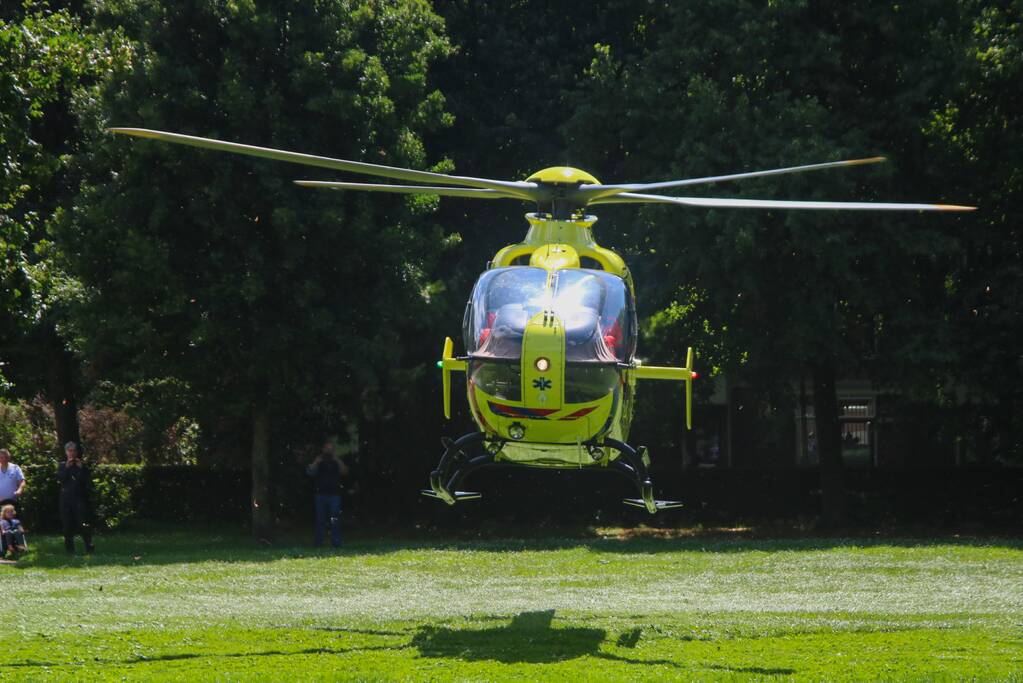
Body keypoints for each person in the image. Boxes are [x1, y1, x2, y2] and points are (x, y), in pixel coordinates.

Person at [306, 440, 348, 548]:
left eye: (331, 449)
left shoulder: (336, 461)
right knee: (320, 520)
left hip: (334, 495)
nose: (329, 451)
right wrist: (316, 462)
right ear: (323, 449)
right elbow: (309, 472)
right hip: (320, 495)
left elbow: (344, 471)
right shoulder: (319, 461)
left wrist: (337, 460)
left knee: (334, 519)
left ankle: (336, 543)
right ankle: (318, 543)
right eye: (327, 448)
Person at [57, 441, 94, 554]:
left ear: (77, 452)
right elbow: (60, 480)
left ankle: (89, 546)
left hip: (79, 499)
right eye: (70, 451)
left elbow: (87, 481)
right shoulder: (62, 465)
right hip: (66, 500)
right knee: (67, 525)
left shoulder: (82, 465)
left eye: (74, 451)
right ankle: (70, 549)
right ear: (66, 452)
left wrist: (81, 468)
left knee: (83, 523)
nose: (72, 453)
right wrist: (67, 468)